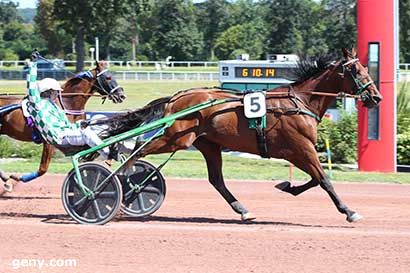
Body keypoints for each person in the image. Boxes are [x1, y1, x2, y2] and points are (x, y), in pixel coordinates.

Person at [3, 61, 111, 192]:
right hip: (58, 138)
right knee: (86, 134)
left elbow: (67, 124)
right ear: (47, 92)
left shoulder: (55, 107)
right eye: (54, 92)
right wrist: (32, 67)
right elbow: (31, 87)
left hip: (67, 134)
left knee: (92, 128)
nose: (57, 94)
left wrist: (79, 124)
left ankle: (117, 150)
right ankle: (108, 154)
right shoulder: (36, 105)